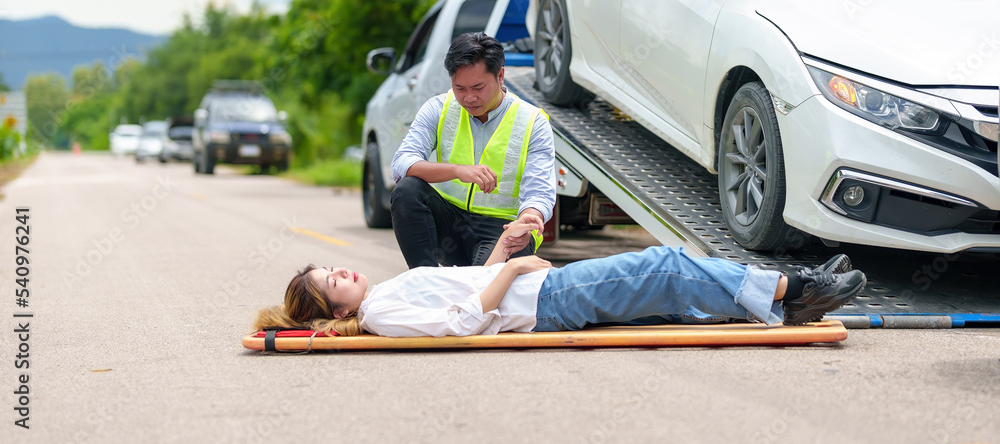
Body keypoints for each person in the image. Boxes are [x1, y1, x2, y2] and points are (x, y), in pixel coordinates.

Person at [253, 219, 867, 337]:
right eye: (333, 281)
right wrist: (517, 267)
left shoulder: (384, 293)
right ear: (336, 311)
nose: (343, 270)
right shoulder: (383, 315)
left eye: (332, 266)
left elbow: (471, 289)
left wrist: (503, 250)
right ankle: (796, 288)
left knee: (670, 276)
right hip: (546, 300)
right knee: (666, 266)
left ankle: (783, 298)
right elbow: (466, 323)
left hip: (540, 290)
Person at [389, 32, 556, 269]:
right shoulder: (439, 108)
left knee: (479, 292)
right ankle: (423, 283)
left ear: (500, 76)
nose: (469, 98)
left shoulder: (533, 122)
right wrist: (457, 170)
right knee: (406, 190)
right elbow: (401, 163)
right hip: (450, 223)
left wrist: (531, 216)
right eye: (460, 88)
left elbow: (539, 192)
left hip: (503, 230)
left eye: (478, 87)